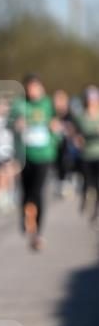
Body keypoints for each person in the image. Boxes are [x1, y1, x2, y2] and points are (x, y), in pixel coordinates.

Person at [9, 73, 61, 251]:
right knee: (26, 191)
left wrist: (54, 129)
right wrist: (17, 125)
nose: (32, 91)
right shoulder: (19, 104)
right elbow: (10, 123)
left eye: (35, 87)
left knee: (38, 192)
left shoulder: (48, 103)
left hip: (44, 154)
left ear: (41, 87)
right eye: (29, 87)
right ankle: (25, 220)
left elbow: (57, 123)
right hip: (25, 155)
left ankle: (38, 230)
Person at [72, 85, 99, 223]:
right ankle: (85, 201)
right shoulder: (81, 117)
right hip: (86, 155)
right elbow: (75, 134)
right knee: (88, 183)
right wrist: (77, 140)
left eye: (94, 99)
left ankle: (96, 211)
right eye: (89, 99)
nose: (91, 102)